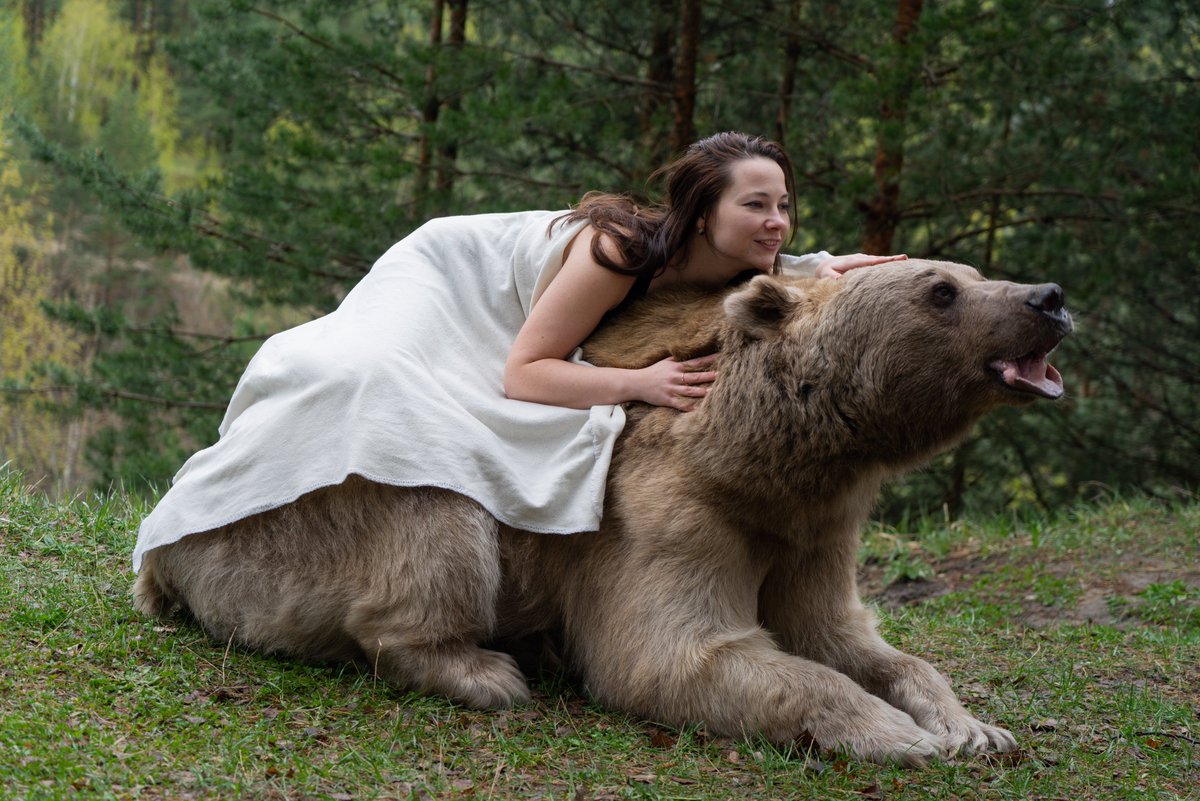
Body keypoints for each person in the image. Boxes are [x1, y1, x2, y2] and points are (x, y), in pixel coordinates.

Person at [131, 131, 903, 571]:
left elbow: (802, 274)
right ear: (703, 214)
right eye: (756, 205)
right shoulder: (616, 252)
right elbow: (525, 372)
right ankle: (213, 511)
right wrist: (638, 381)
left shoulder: (755, 261)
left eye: (785, 206)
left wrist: (838, 270)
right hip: (454, 280)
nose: (777, 222)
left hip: (523, 318)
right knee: (363, 377)